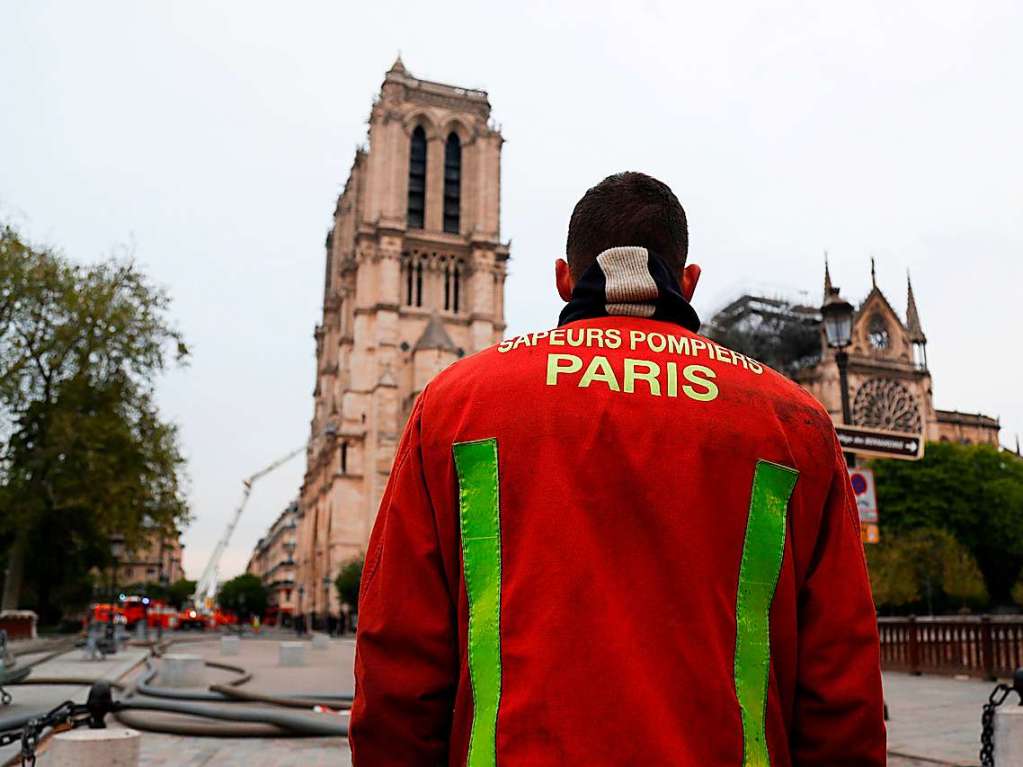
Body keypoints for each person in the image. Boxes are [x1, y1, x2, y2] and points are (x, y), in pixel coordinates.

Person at [350, 172, 886, 765]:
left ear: (563, 279)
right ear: (688, 282)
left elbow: (395, 676)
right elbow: (844, 694)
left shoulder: (455, 406)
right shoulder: (795, 422)